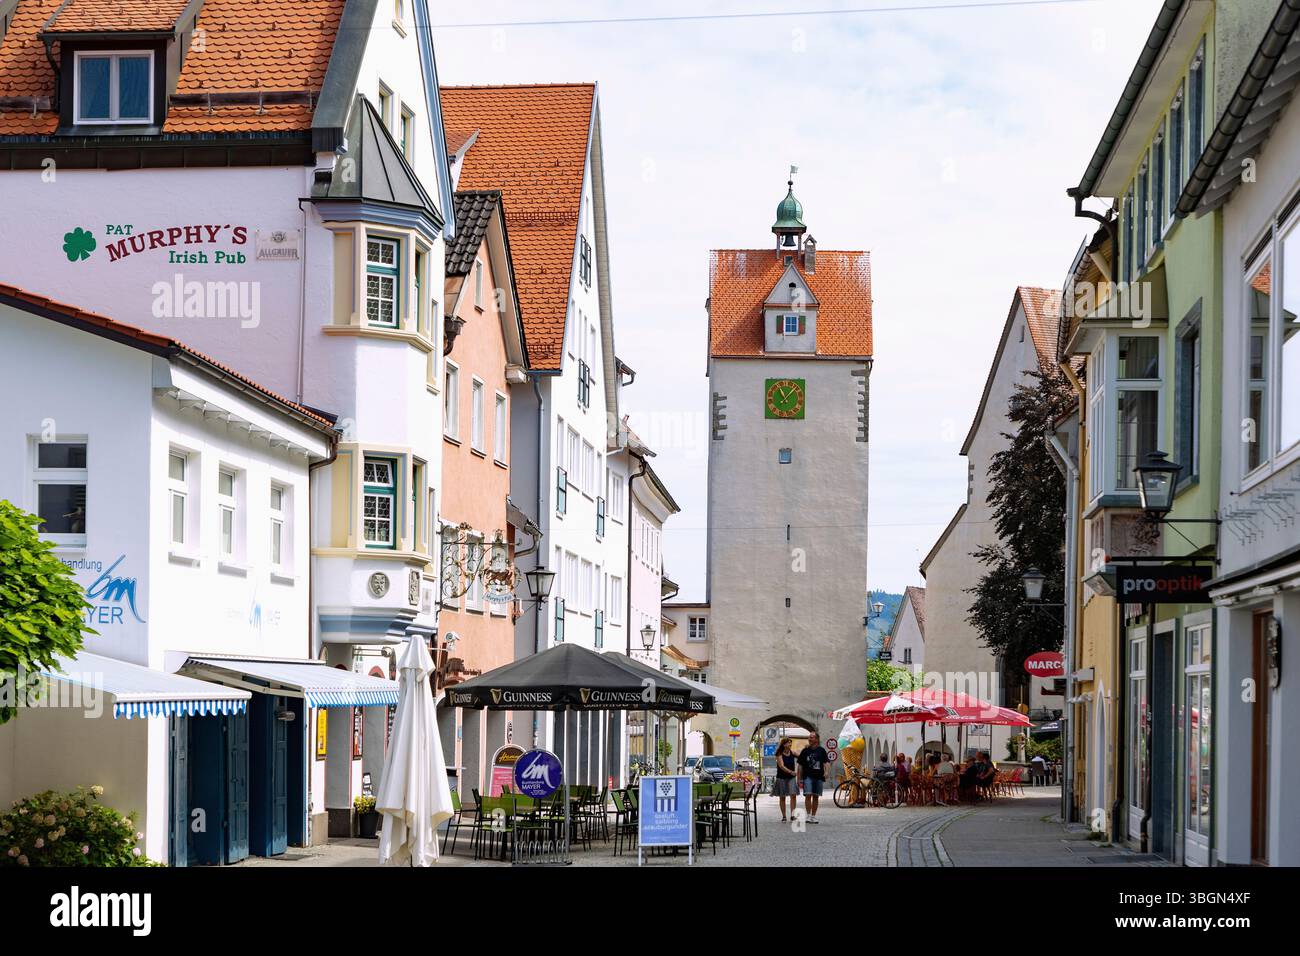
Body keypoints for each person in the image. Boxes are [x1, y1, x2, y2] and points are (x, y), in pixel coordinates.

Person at [797, 731, 830, 824]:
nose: (809, 739)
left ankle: (813, 816)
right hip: (808, 776)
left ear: (816, 739)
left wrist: (827, 772)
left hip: (819, 776)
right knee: (808, 794)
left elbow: (826, 762)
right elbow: (800, 765)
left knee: (816, 796)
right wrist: (799, 778)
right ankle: (808, 816)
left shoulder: (821, 750)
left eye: (812, 737)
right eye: (809, 737)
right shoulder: (805, 751)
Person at [773, 737, 798, 822]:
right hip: (782, 777)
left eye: (790, 743)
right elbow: (781, 766)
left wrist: (806, 749)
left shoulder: (792, 752)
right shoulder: (779, 754)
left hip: (791, 778)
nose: (790, 744)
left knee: (793, 795)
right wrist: (791, 772)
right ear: (783, 744)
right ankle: (784, 816)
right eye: (788, 743)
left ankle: (793, 815)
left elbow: (801, 756)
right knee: (782, 797)